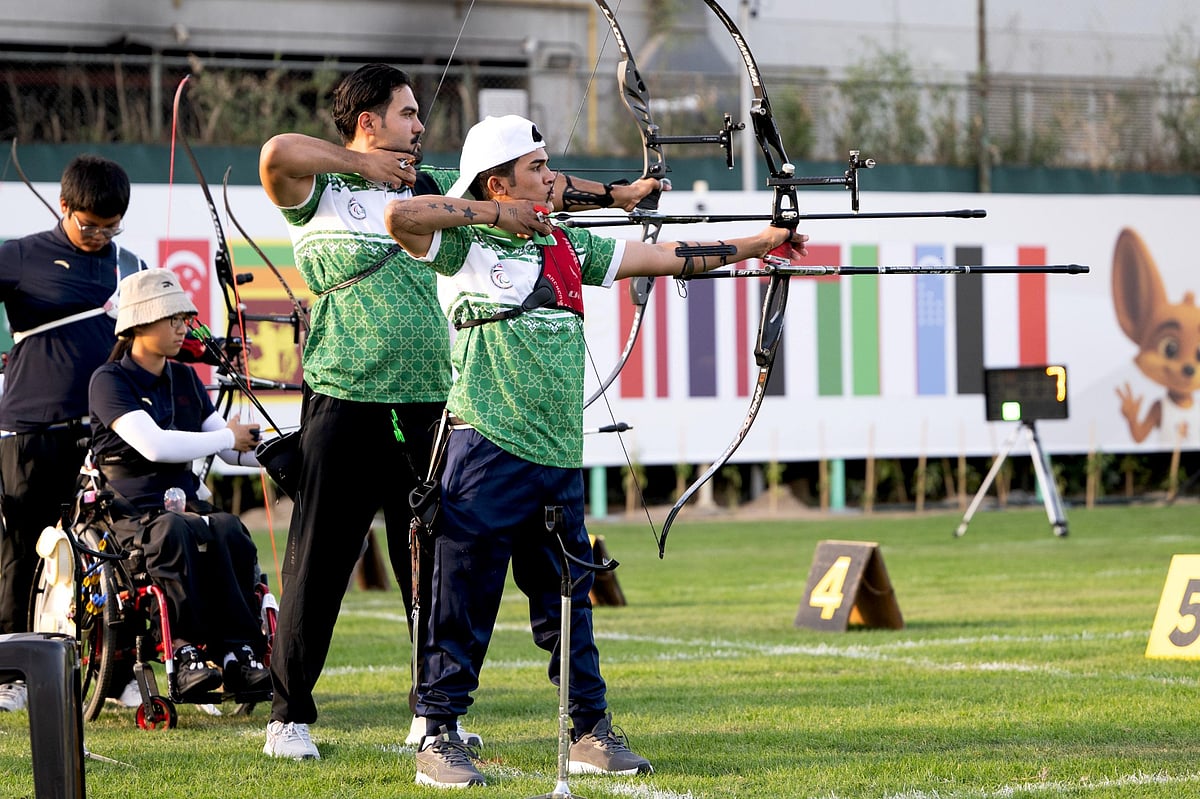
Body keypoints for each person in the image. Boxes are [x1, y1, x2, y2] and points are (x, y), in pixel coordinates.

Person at [383, 114, 809, 788]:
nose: (550, 178)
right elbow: (401, 215)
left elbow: (666, 258)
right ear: (500, 181)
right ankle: (438, 734)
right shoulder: (460, 245)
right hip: (484, 447)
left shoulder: (566, 244)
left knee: (570, 598)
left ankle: (588, 728)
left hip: (555, 456)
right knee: (461, 598)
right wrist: (495, 211)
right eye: (537, 168)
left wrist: (760, 242)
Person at [256, 63, 660, 761]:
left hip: (432, 404)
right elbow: (274, 155)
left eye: (419, 114)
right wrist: (360, 165)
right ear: (369, 119)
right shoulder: (317, 188)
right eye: (408, 114)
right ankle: (289, 714)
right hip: (345, 395)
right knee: (319, 560)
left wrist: (622, 193)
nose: (420, 125)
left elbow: (538, 187)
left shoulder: (434, 186)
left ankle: (428, 717)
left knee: (430, 568)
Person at [0, 154, 147, 712]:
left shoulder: (128, 265)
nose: (101, 236)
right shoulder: (21, 256)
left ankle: (115, 673)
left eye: (112, 227)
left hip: (104, 433)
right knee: (23, 548)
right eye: (90, 225)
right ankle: (12, 670)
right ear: (64, 207)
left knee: (119, 553)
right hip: (31, 430)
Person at [88, 268, 271, 699]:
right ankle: (185, 651)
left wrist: (285, 456)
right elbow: (153, 445)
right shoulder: (109, 380)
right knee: (174, 530)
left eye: (182, 318)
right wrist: (228, 436)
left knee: (229, 527)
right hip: (130, 513)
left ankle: (238, 652)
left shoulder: (185, 377)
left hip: (183, 508)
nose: (181, 328)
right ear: (138, 325)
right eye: (170, 318)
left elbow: (230, 452)